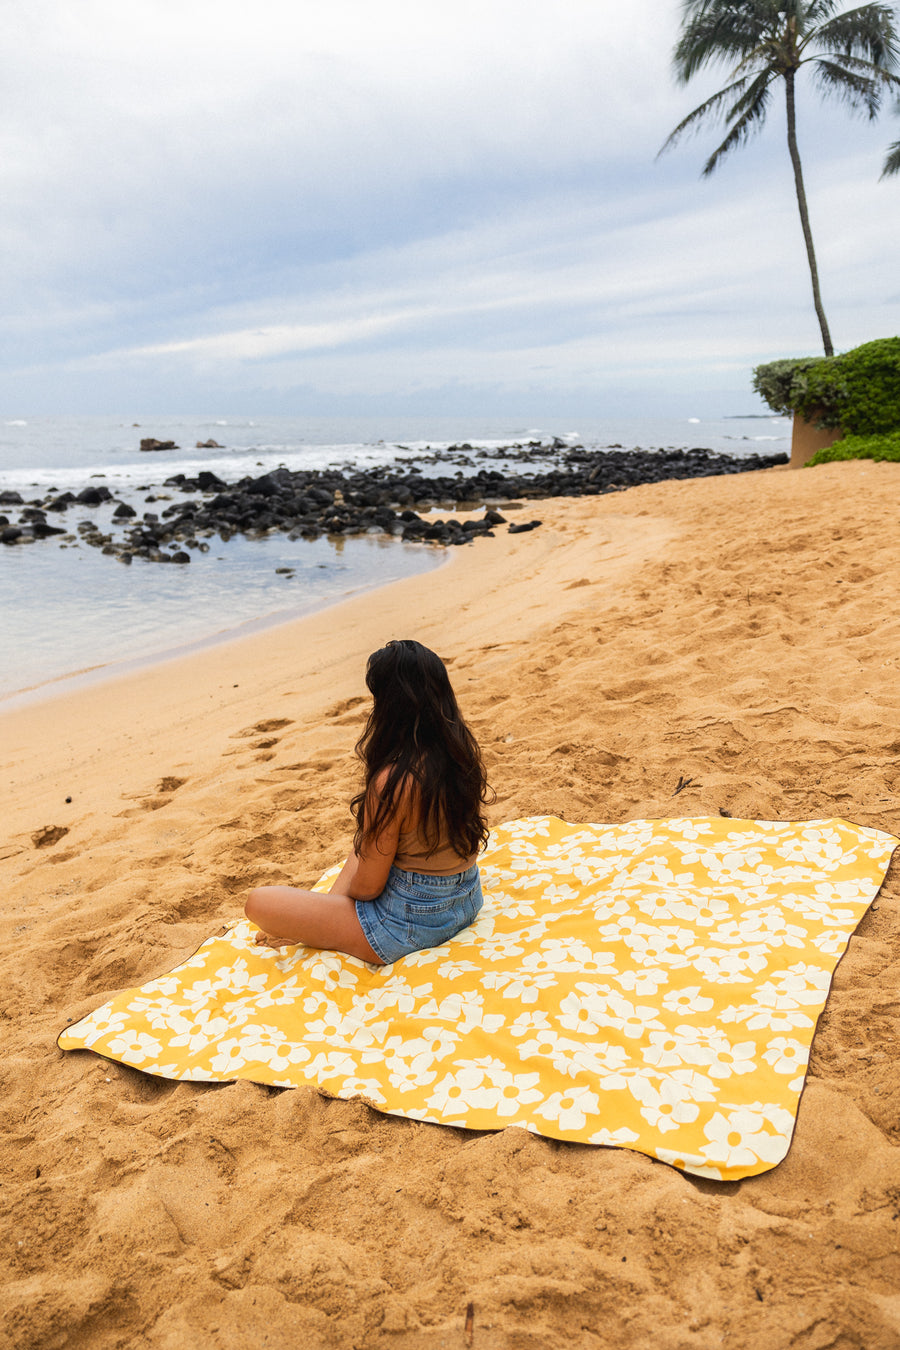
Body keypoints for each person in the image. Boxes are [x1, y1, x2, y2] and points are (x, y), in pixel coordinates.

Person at [245, 639, 492, 964]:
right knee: (366, 841)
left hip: (408, 922)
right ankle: (319, 922)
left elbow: (368, 889)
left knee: (258, 903)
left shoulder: (393, 780)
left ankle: (316, 925)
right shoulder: (459, 753)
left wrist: (328, 913)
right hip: (465, 900)